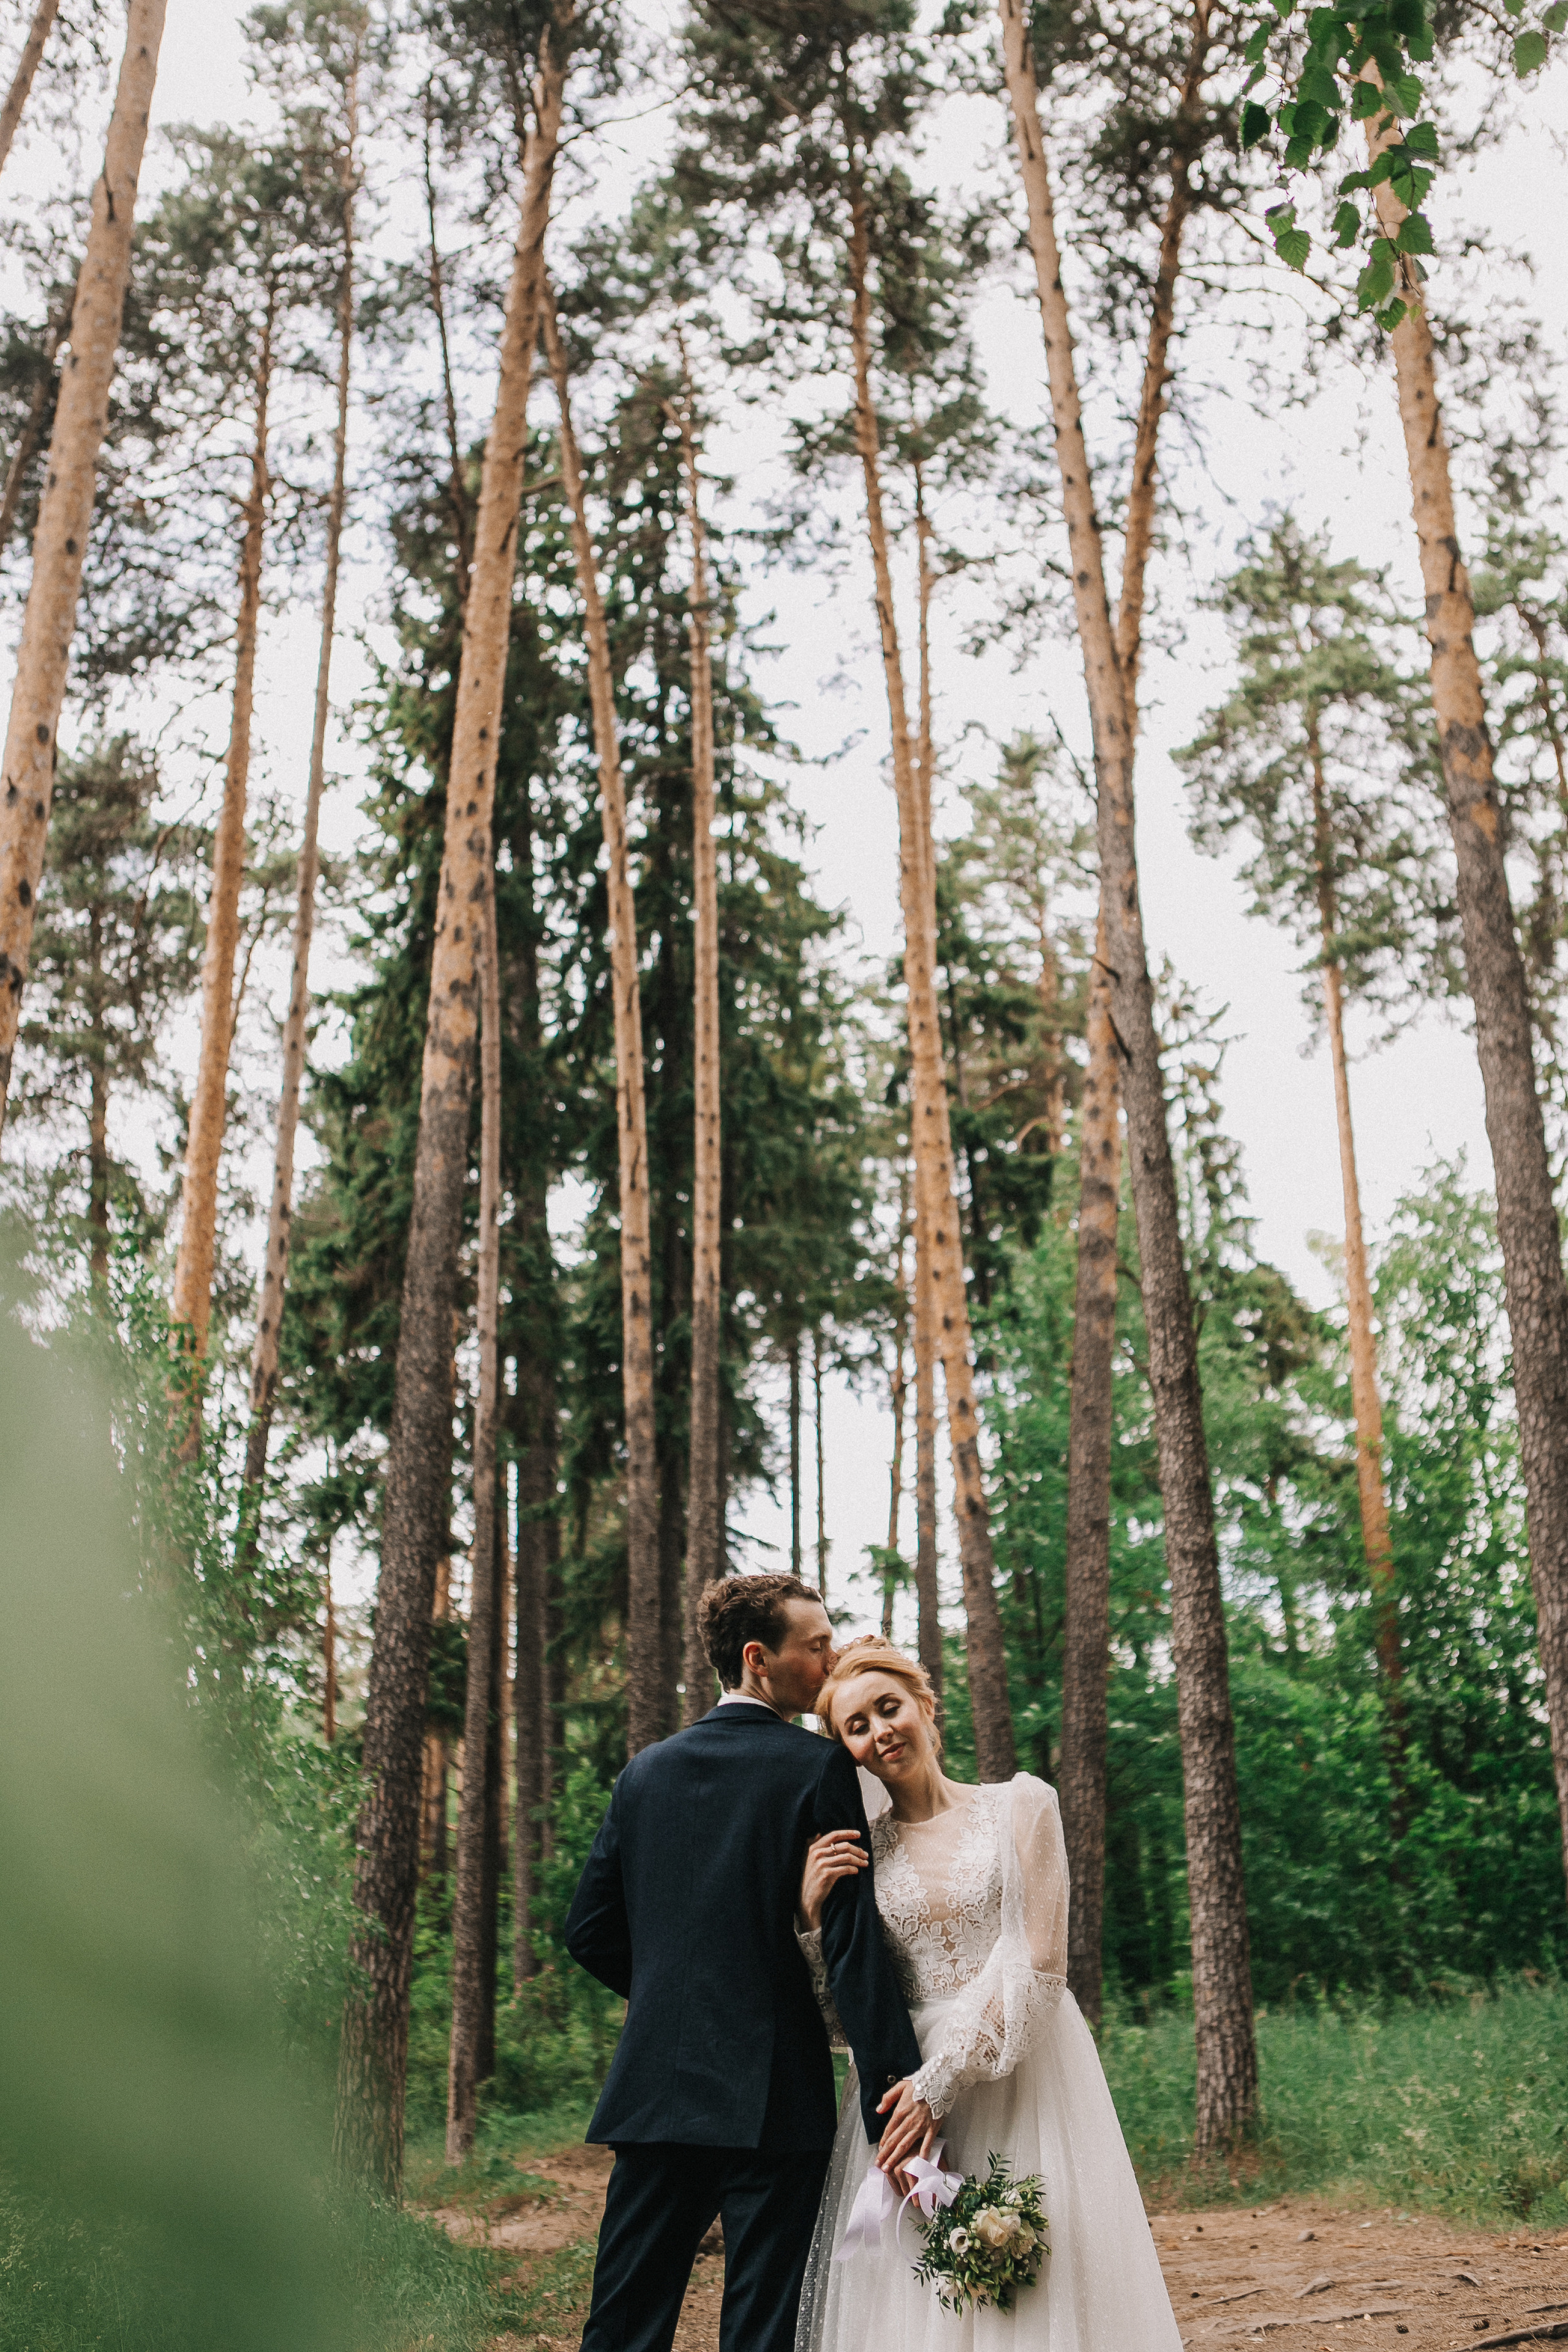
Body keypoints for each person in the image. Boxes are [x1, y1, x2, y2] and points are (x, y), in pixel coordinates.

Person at [564, 1577, 930, 2352]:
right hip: (774, 2096)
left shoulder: (644, 1773)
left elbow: (590, 1931)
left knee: (623, 2323)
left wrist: (671, 1996)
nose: (832, 1659)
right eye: (817, 1644)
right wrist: (896, 2106)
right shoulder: (819, 1770)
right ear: (759, 1659)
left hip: (654, 2092)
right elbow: (851, 1943)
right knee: (762, 2330)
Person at [793, 1636, 1182, 2352]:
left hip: (1022, 2073)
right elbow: (841, 2019)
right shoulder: (860, 1852)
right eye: (856, 1726)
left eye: (889, 1708)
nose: (880, 1731)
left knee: (1041, 2277)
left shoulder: (1021, 1805)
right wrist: (816, 1922)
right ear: (843, 1749)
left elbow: (1041, 1964)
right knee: (928, 2295)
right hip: (905, 2098)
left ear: (924, 1707)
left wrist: (940, 2082)